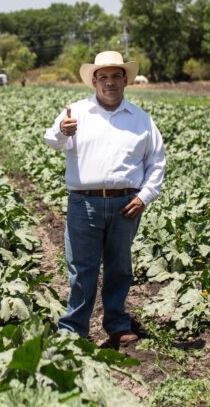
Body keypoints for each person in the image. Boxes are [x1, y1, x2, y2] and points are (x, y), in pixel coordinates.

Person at [43, 51, 166, 346]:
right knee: (81, 268)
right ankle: (74, 329)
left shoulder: (141, 119)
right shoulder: (76, 112)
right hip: (84, 203)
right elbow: (51, 140)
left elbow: (157, 161)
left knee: (119, 267)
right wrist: (62, 131)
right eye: (104, 77)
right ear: (94, 81)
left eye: (115, 76)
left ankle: (116, 323)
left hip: (127, 205)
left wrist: (145, 196)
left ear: (125, 80)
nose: (110, 82)